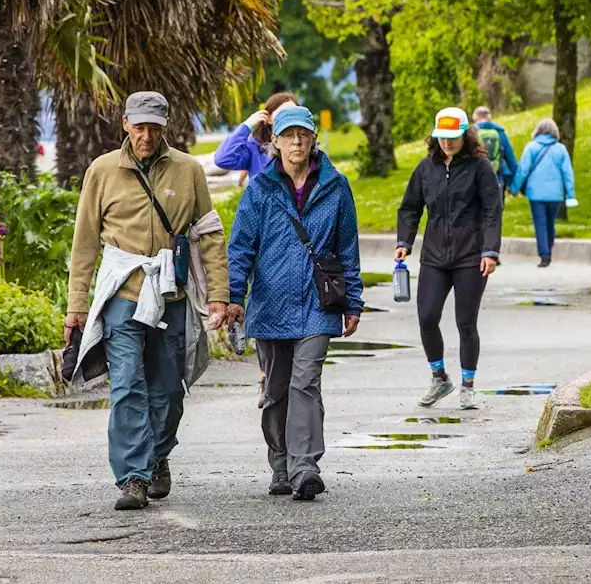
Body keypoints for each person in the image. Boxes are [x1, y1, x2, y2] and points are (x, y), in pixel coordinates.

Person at [65, 92, 229, 512]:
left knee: (169, 390)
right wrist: (76, 307)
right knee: (127, 386)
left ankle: (157, 456)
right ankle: (133, 477)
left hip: (170, 291)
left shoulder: (188, 170)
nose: (146, 135)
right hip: (122, 290)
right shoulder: (102, 171)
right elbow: (84, 243)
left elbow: (209, 234)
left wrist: (220, 295)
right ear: (125, 124)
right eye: (139, 126)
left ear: (165, 126)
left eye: (154, 127)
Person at [227, 105, 363, 502]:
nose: (297, 142)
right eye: (289, 136)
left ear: (314, 139)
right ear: (276, 142)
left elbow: (347, 247)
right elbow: (240, 248)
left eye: (304, 134)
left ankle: (306, 467)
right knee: (276, 389)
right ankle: (281, 463)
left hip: (318, 304)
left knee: (306, 381)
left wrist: (353, 300)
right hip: (269, 305)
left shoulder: (336, 186)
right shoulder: (260, 188)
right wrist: (235, 297)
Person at [396, 107, 502, 411]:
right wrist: (405, 241)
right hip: (434, 256)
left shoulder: (480, 168)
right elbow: (410, 208)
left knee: (466, 321)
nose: (447, 143)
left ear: (466, 135)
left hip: (472, 255)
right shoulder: (425, 168)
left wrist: (490, 251)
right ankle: (439, 377)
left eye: (453, 138)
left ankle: (468, 385)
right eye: (442, 138)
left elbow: (492, 211)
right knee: (427, 317)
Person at [510, 119, 577, 268]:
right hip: (555, 194)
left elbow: (523, 170)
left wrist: (514, 188)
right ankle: (548, 250)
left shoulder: (531, 147)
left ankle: (544, 255)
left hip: (536, 193)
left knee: (540, 223)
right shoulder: (561, 149)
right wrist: (570, 194)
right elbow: (568, 173)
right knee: (550, 223)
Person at [213, 91, 299, 178]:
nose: (289, 116)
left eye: (294, 112)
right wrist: (246, 126)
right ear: (268, 119)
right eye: (282, 112)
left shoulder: (305, 147)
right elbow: (222, 159)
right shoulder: (255, 148)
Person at [472, 106, 518, 202]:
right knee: (496, 210)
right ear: (489, 117)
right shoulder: (499, 133)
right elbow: (510, 159)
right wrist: (515, 184)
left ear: (475, 118)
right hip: (497, 178)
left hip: (475, 179)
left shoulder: (471, 133)